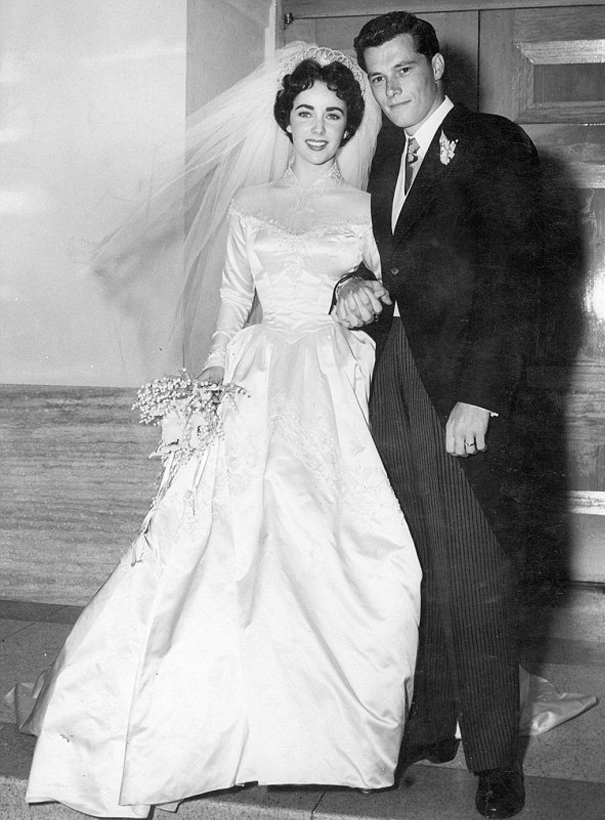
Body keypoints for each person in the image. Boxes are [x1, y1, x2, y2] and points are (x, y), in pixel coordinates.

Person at [7, 48, 422, 817]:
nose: (320, 128)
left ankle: (318, 732)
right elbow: (233, 310)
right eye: (306, 112)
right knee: (221, 540)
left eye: (335, 114)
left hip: (334, 381)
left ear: (350, 125)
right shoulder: (250, 206)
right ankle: (201, 723)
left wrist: (365, 292)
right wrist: (206, 396)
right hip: (256, 379)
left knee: (335, 545)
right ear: (285, 120)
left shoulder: (367, 209)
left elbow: (399, 296)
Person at [334, 12, 544, 819]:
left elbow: (516, 276)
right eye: (377, 78)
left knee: (474, 577)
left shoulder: (493, 144)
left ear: (436, 69)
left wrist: (483, 394)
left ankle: (494, 756)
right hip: (393, 386)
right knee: (411, 566)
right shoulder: (385, 159)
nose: (391, 91)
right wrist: (345, 288)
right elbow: (369, 262)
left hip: (460, 394)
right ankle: (430, 723)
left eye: (404, 72)